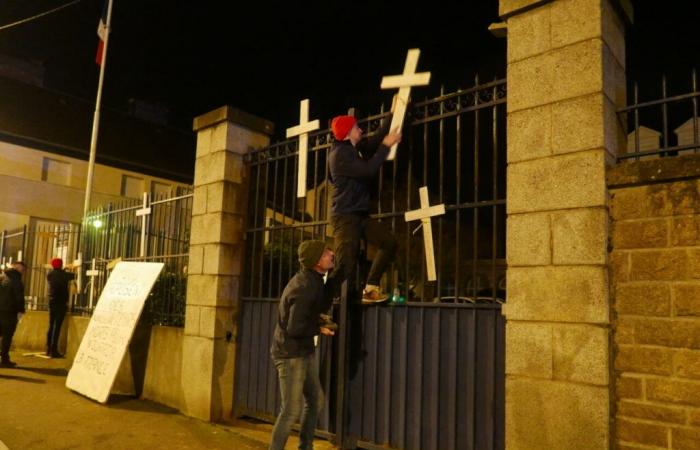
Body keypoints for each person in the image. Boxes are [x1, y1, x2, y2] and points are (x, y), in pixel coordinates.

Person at [326, 113, 401, 303]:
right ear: (347, 133)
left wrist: (394, 113)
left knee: (389, 243)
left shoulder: (353, 147)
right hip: (345, 217)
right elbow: (368, 170)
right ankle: (319, 305)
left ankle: (370, 288)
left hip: (360, 215)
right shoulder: (339, 155)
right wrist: (386, 146)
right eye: (356, 127)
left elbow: (374, 140)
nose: (361, 130)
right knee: (344, 266)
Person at [269, 240, 336, 450]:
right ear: (316, 261)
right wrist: (320, 329)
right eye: (326, 254)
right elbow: (295, 328)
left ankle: (305, 447)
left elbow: (305, 316)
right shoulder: (305, 286)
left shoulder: (314, 280)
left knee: (316, 401)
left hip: (304, 351)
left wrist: (317, 321)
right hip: (290, 355)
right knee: (290, 411)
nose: (331, 255)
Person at [46, 258, 75, 358]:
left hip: (51, 301)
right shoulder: (63, 274)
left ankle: (48, 348)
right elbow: (73, 276)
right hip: (60, 302)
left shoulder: (50, 274)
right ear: (60, 265)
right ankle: (54, 351)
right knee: (57, 327)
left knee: (51, 325)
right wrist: (70, 268)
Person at [0, 261, 27, 367]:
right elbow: (19, 298)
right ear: (19, 268)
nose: (23, 273)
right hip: (9, 312)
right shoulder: (16, 281)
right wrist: (21, 310)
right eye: (23, 270)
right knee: (7, 336)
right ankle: (5, 359)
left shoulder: (3, 278)